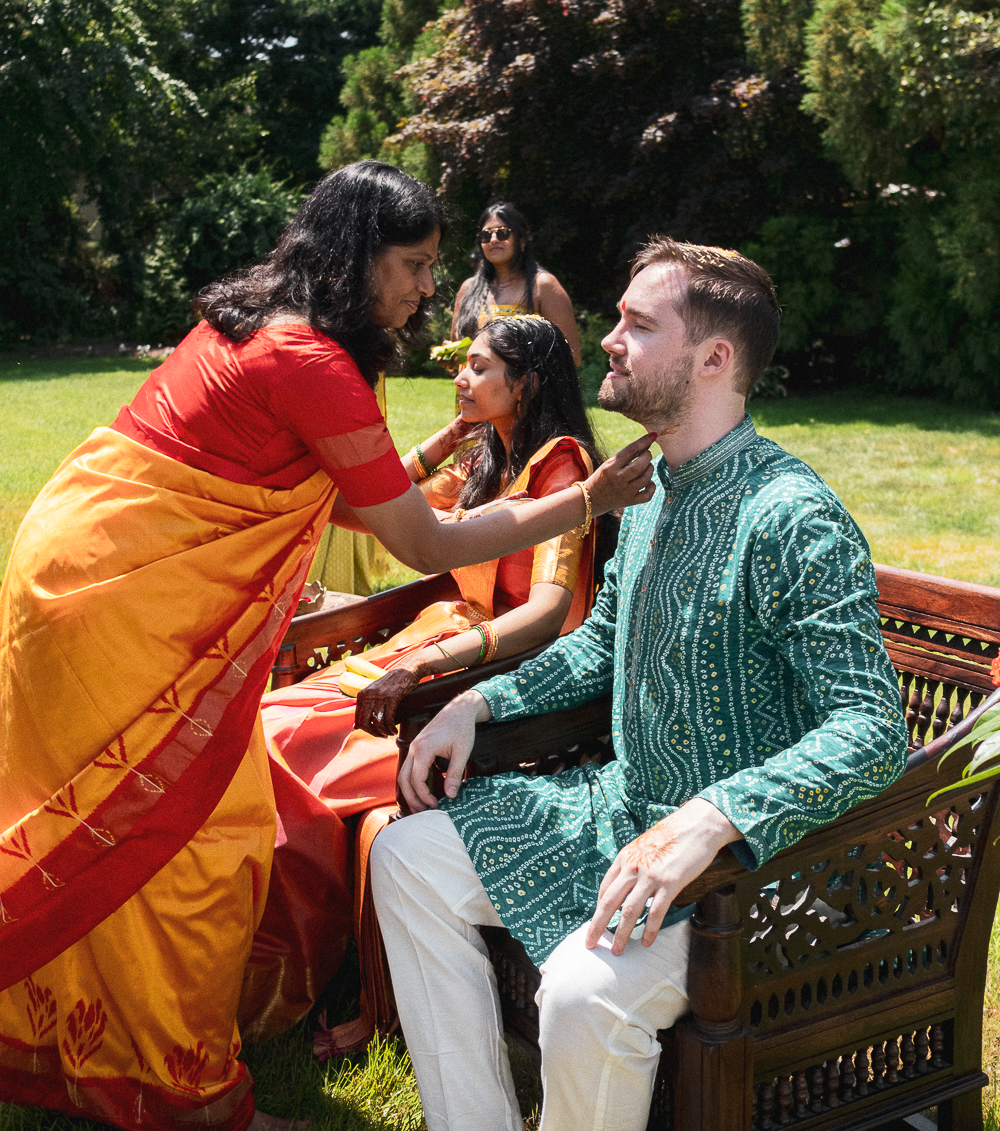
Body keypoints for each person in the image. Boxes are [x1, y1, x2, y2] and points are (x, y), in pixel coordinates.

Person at [0, 162, 655, 1131]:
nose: (429, 287)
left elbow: (348, 493)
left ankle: (121, 1052)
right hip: (122, 611)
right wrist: (590, 500)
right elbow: (421, 542)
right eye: (414, 264)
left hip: (75, 574)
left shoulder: (261, 321)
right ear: (357, 257)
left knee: (148, 826)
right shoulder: (306, 358)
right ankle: (190, 1096)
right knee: (192, 843)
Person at [371, 237, 911, 1131]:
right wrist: (479, 700)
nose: (608, 339)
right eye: (616, 319)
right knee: (406, 860)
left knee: (582, 995)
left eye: (636, 324)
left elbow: (868, 726)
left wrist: (713, 818)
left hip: (758, 877)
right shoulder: (654, 486)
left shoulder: (794, 518)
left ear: (712, 358)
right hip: (619, 816)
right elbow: (603, 644)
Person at [240, 317, 603, 1042]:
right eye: (460, 367)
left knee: (291, 745)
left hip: (504, 678)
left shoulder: (562, 467)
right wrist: (436, 447)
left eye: (477, 367)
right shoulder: (485, 456)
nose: (460, 379)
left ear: (525, 382)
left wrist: (423, 665)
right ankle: (267, 949)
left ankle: (303, 968)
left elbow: (546, 614)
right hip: (437, 640)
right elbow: (358, 508)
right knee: (268, 723)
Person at [451, 202, 582, 365]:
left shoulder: (542, 286)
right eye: (486, 235)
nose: (493, 239)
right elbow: (458, 349)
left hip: (522, 389)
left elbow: (571, 356)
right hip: (470, 389)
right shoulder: (468, 289)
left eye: (502, 233)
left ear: (521, 241)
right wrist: (450, 356)